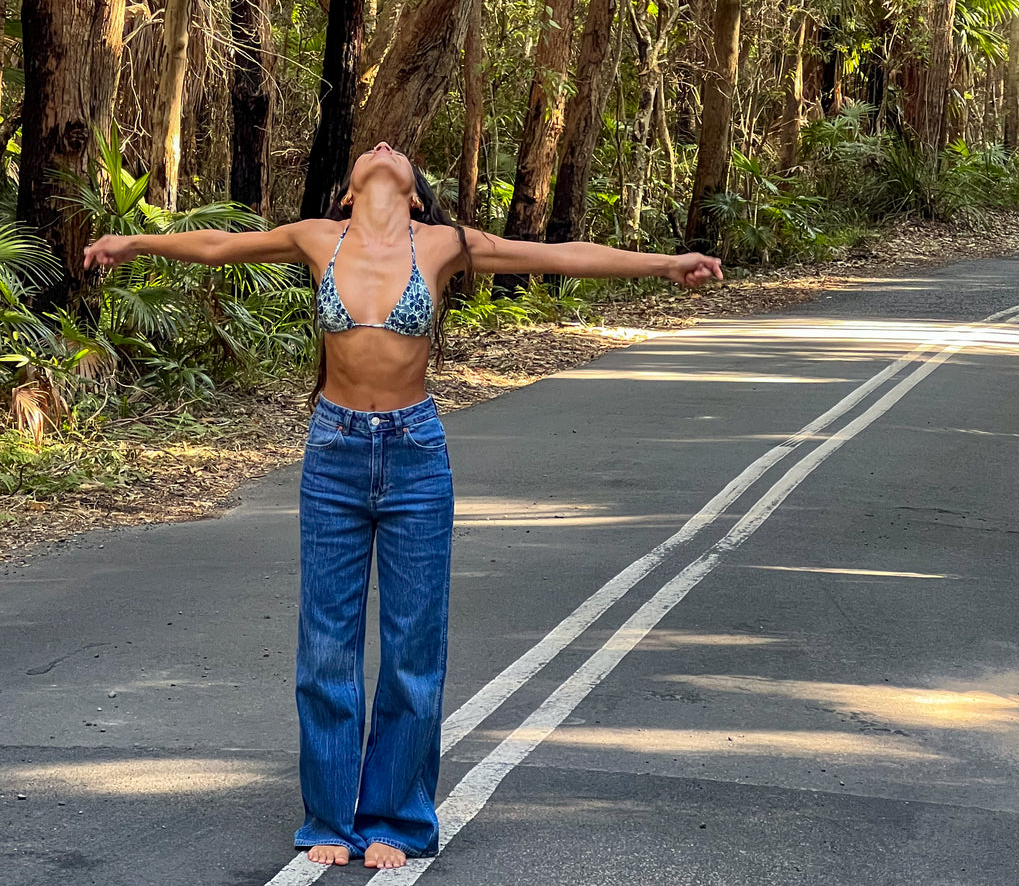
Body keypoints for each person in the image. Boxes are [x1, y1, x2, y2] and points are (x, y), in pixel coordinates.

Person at [84, 141, 722, 870]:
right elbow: (219, 243)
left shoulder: (444, 242)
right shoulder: (317, 236)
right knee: (327, 640)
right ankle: (329, 814)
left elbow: (561, 254)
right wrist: (133, 240)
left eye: (399, 152)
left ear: (415, 193)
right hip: (334, 453)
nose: (385, 147)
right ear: (348, 190)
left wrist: (667, 263)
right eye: (372, 148)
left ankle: (396, 814)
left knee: (414, 643)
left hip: (416, 454)